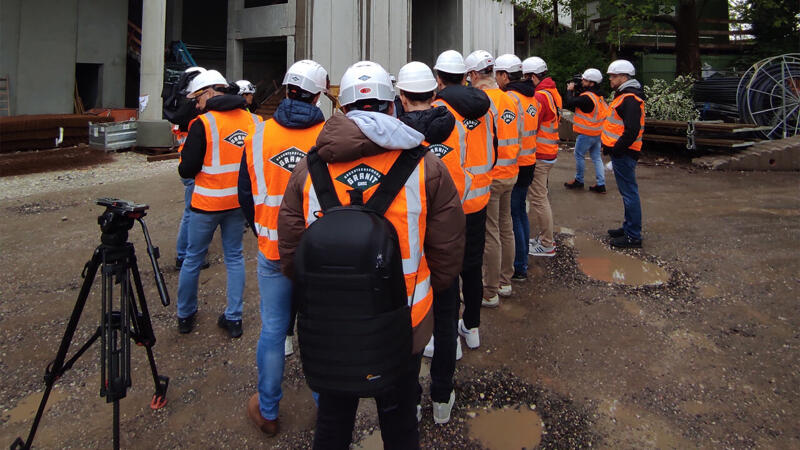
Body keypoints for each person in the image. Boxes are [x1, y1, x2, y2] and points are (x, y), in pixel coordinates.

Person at [277, 60, 465, 449]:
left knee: (332, 417)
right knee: (399, 418)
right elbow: (447, 252)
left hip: (330, 319)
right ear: (392, 105)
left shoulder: (308, 168)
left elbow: (292, 252)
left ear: (342, 109)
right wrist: (425, 293)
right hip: (404, 318)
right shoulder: (425, 165)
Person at [237, 60, 328, 436]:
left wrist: (260, 227)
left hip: (273, 249)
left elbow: (245, 193)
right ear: (319, 94)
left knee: (274, 330)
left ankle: (269, 410)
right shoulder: (329, 136)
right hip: (319, 254)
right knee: (320, 331)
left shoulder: (257, 136)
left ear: (287, 90)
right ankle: (328, 410)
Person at [396, 60, 465, 425]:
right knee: (444, 316)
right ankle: (442, 398)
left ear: (402, 97)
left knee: (408, 327)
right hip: (447, 240)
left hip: (410, 250)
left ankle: (411, 400)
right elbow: (465, 179)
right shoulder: (457, 130)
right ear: (433, 93)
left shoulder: (390, 138)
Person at [176, 69, 262, 337]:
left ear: (211, 92)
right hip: (238, 204)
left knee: (193, 258)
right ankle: (234, 318)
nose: (196, 104)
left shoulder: (204, 123)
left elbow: (187, 170)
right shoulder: (254, 121)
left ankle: (185, 314)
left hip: (207, 204)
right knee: (235, 257)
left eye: (198, 98)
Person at [431, 50, 494, 351]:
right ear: (464, 75)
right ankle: (472, 327)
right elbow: (492, 149)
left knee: (446, 272)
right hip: (479, 200)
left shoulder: (439, 109)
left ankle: (448, 339)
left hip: (449, 206)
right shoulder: (485, 106)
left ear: (439, 77)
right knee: (472, 267)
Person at [464, 50, 520, 308]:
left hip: (492, 176)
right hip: (511, 171)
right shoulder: (509, 99)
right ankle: (506, 281)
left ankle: (490, 290)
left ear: (474, 74)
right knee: (505, 227)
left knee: (491, 234)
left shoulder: (481, 101)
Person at [496, 54, 539, 281]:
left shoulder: (510, 98)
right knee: (520, 213)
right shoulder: (531, 97)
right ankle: (522, 261)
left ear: (504, 75)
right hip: (529, 160)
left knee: (512, 216)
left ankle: (518, 265)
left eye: (497, 75)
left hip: (515, 164)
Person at [169, 66, 210, 271]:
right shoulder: (196, 112)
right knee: (192, 212)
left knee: (190, 212)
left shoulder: (183, 107)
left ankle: (186, 252)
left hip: (186, 161)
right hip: (193, 166)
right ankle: (185, 255)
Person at [602, 59, 646, 248]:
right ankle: (629, 228)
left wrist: (617, 150)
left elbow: (631, 130)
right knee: (627, 192)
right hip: (623, 152)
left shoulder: (629, 99)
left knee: (629, 193)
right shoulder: (625, 96)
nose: (610, 79)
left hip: (625, 154)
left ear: (623, 77)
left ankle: (633, 235)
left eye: (613, 76)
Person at [522, 56, 562, 258]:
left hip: (540, 153)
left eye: (526, 77)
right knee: (541, 197)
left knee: (538, 199)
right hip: (550, 151)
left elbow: (531, 123)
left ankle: (547, 244)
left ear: (532, 76)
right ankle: (544, 239)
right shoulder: (552, 92)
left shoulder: (540, 97)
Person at [564, 68, 608, 193]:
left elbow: (570, 102)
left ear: (591, 83)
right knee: (596, 158)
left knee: (579, 155)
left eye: (585, 80)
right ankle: (601, 183)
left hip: (586, 134)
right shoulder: (598, 96)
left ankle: (579, 180)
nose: (582, 81)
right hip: (597, 133)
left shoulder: (587, 98)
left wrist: (569, 91)